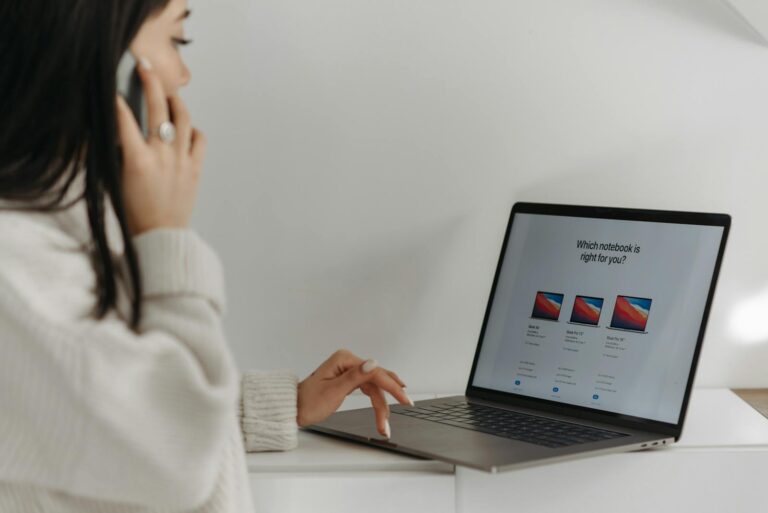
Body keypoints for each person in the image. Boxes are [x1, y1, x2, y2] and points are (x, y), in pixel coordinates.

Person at [0, 0, 411, 511]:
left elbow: (106, 419)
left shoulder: (67, 222)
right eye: (178, 41)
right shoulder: (15, 262)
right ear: (111, 66)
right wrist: (165, 236)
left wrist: (287, 405)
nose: (185, 74)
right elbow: (174, 461)